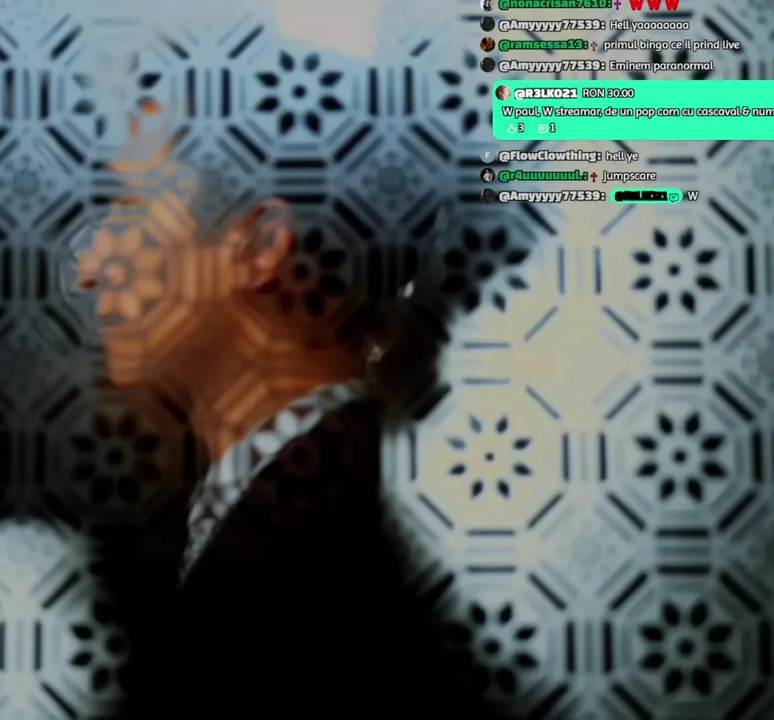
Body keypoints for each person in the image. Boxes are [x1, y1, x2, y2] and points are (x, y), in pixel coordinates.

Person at [77, 101, 501, 719]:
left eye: (128, 208)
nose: (89, 268)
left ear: (261, 246)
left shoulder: (336, 555)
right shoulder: (312, 503)